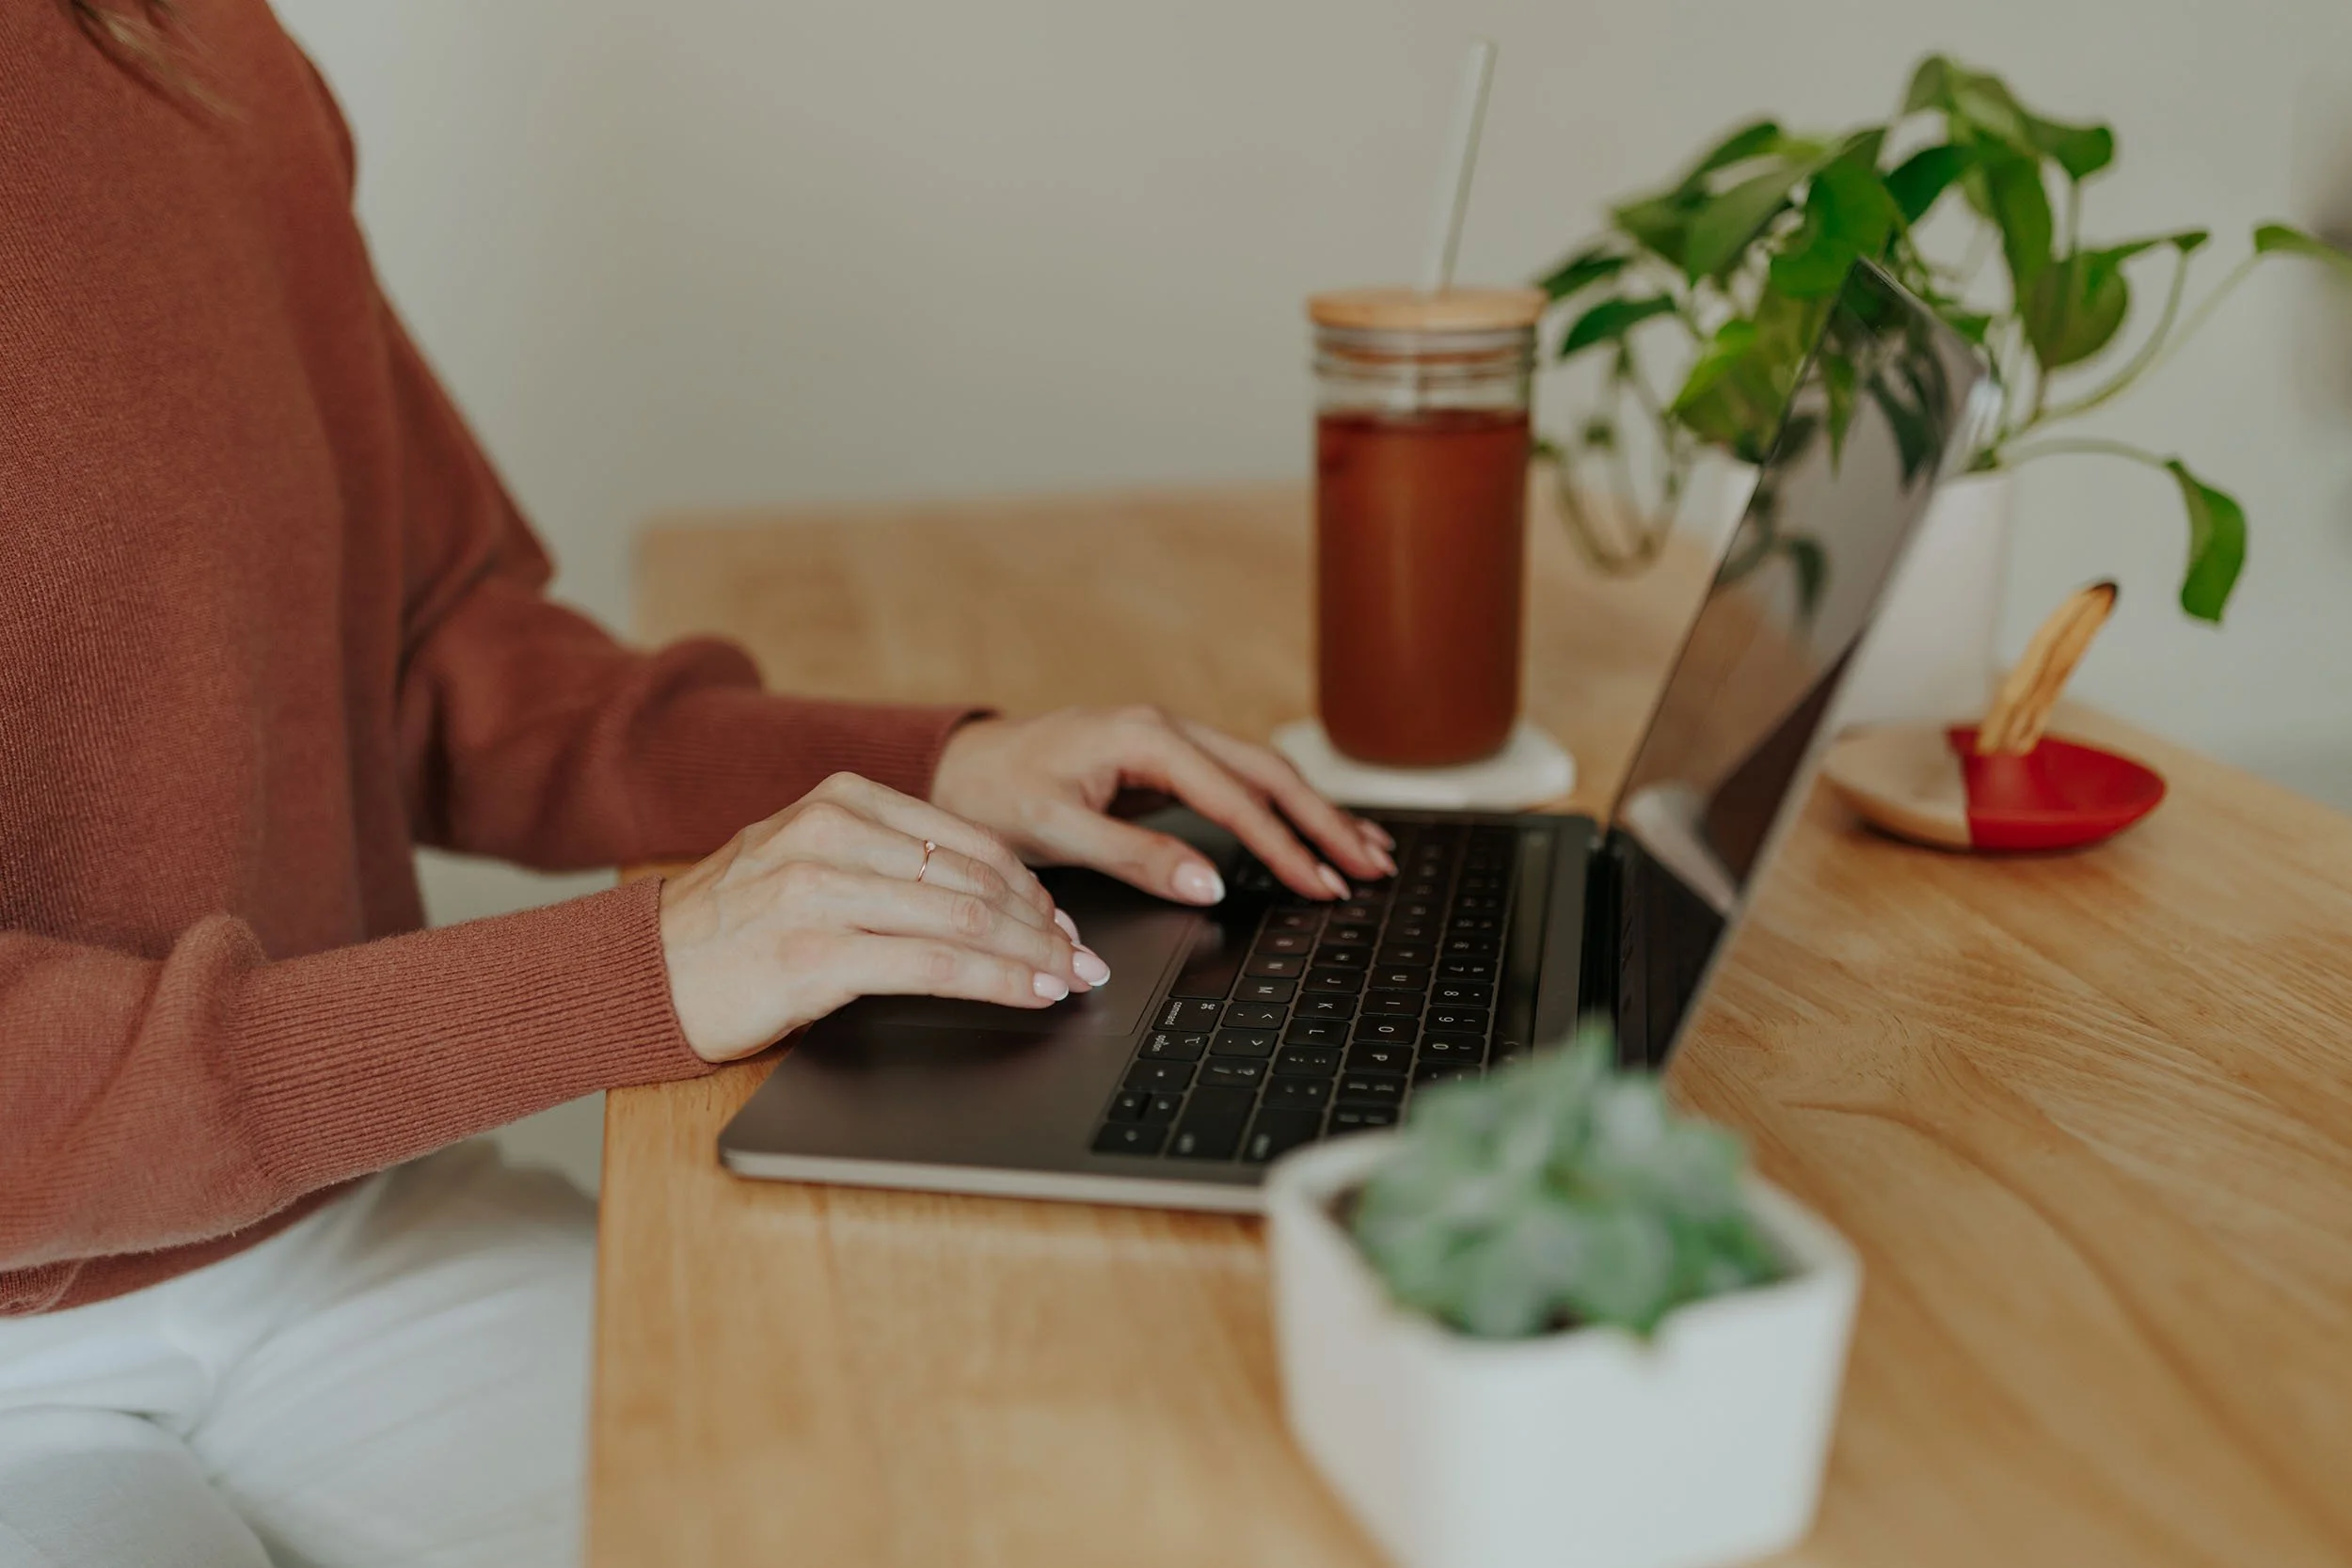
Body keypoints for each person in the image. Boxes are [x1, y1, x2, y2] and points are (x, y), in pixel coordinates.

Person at [0, 5, 1396, 1564]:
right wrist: (632, 972)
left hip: (346, 1219)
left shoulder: (193, 49)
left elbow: (423, 651)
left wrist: (927, 767)